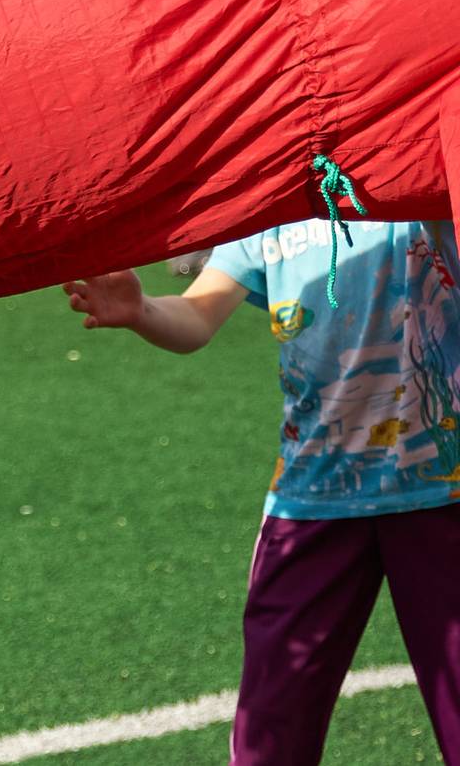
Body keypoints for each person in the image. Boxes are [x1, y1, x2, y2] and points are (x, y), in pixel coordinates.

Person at [63, 219, 460, 764]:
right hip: (312, 498)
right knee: (271, 733)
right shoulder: (273, 208)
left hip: (443, 493)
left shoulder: (421, 189)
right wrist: (142, 311)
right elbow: (199, 313)